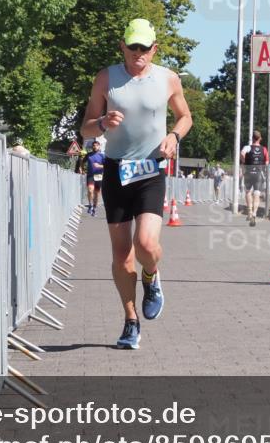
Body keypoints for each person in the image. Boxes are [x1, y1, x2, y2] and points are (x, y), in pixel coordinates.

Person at [80, 18, 192, 350]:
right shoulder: (106, 78)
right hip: (116, 171)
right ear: (123, 47)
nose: (138, 53)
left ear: (154, 49)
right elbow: (86, 128)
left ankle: (151, 276)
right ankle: (131, 320)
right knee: (121, 256)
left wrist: (174, 136)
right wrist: (102, 122)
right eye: (133, 47)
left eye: (144, 47)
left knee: (145, 244)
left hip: (151, 170)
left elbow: (185, 117)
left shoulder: (168, 78)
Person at [240, 130, 270, 227]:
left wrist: (244, 162)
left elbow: (242, 154)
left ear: (252, 138)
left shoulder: (247, 147)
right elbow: (267, 162)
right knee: (257, 194)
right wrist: (264, 168)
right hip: (259, 173)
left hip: (248, 172)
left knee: (248, 192)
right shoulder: (264, 149)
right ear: (260, 138)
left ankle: (249, 212)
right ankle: (254, 213)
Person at [84, 139, 105, 216]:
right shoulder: (88, 155)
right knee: (90, 190)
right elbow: (82, 161)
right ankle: (90, 205)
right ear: (92, 147)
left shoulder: (102, 156)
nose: (95, 146)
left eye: (96, 145)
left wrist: (99, 166)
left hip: (99, 176)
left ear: (99, 146)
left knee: (96, 192)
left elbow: (107, 166)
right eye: (94, 145)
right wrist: (81, 168)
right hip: (90, 175)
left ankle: (94, 206)